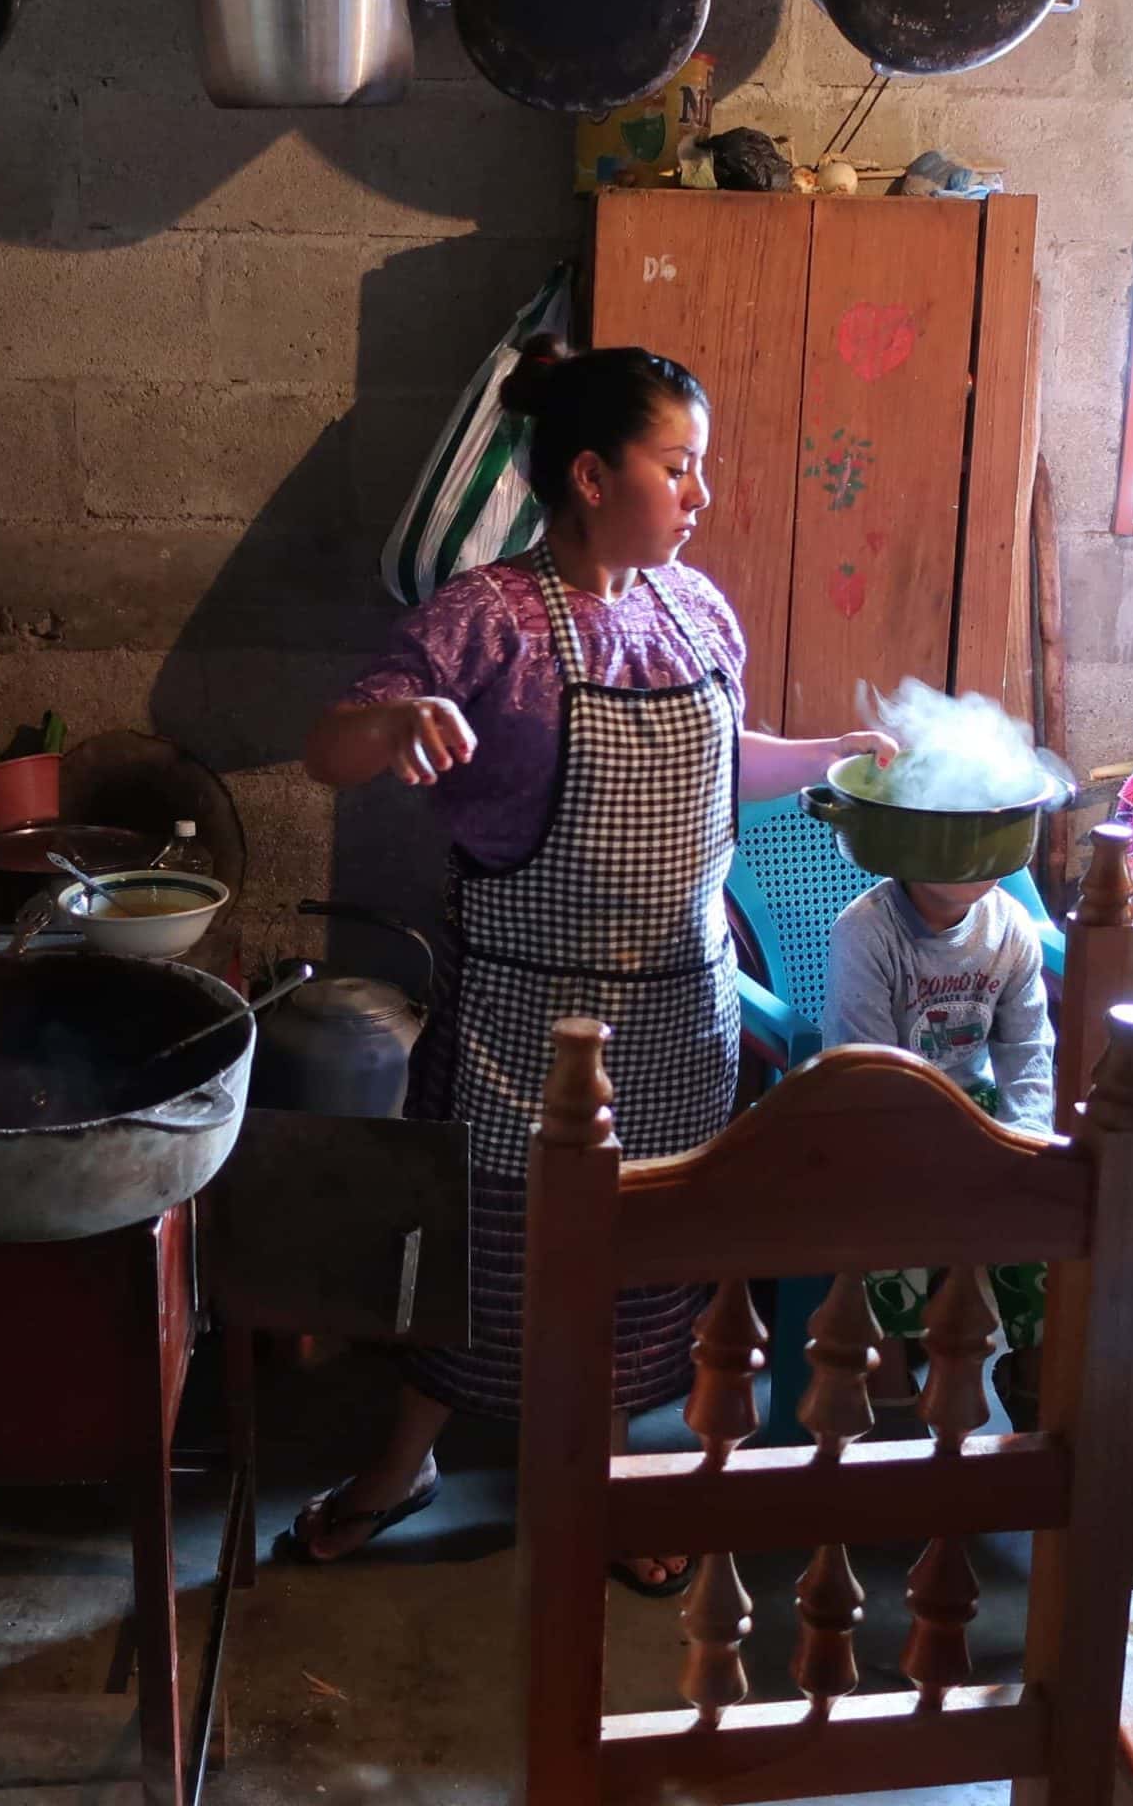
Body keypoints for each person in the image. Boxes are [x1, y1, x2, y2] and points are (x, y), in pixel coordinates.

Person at [286, 338, 896, 1594]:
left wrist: (835, 752)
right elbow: (326, 749)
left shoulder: (697, 609)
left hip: (683, 1020)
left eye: (699, 469)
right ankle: (403, 1469)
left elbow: (732, 768)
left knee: (637, 1265)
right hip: (528, 1030)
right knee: (490, 1258)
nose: (698, 495)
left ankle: (610, 1476)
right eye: (677, 468)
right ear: (586, 473)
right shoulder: (488, 621)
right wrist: (392, 724)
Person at [824, 873, 1053, 1130]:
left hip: (976, 1107)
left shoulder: (1011, 927)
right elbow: (870, 1083)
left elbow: (1026, 1052)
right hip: (883, 1121)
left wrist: (1028, 1143)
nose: (972, 851)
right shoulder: (863, 933)